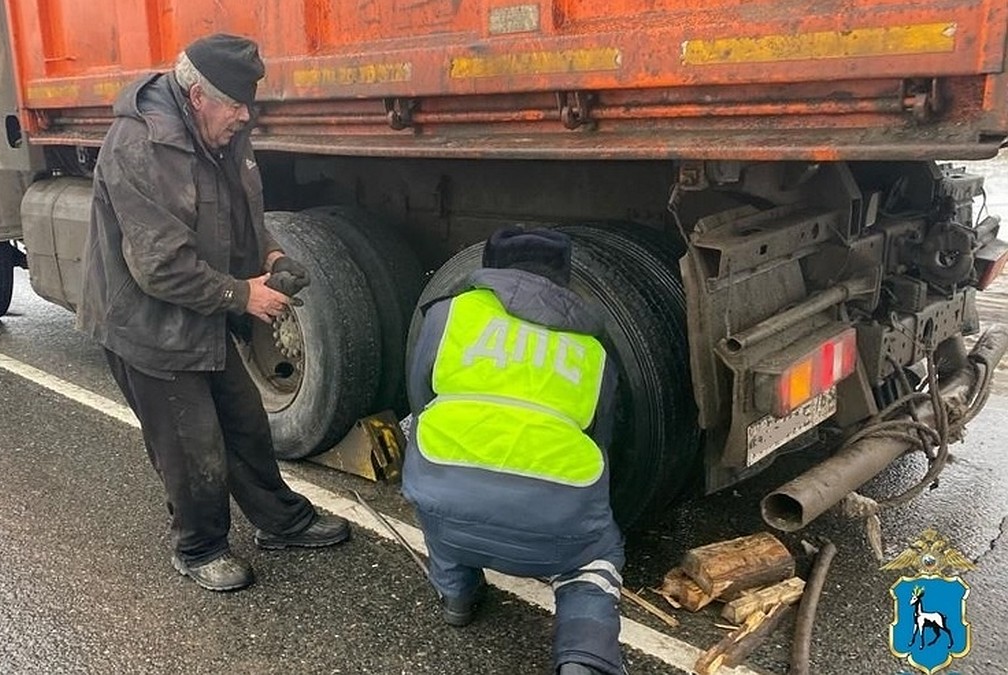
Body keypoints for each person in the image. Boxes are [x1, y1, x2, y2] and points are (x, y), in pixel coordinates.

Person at [77, 34, 350, 593]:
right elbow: (161, 268)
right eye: (235, 103)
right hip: (146, 320)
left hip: (198, 309)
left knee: (244, 419)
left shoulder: (222, 133)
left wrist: (269, 256)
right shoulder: (144, 147)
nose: (246, 114)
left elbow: (236, 214)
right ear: (198, 95)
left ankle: (280, 522)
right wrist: (244, 296)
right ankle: (199, 545)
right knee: (190, 438)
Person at [402, 227, 627, 675]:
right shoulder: (593, 348)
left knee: (437, 496)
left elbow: (419, 394)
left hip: (450, 502)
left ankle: (457, 596)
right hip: (556, 520)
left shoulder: (449, 315)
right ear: (562, 278)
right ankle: (584, 660)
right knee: (598, 558)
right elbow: (603, 436)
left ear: (488, 268)